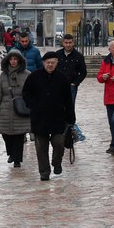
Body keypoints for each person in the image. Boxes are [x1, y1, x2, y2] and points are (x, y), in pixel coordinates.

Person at [23, 51, 75, 181]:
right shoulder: (34, 77)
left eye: (53, 62)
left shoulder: (62, 78)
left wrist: (71, 117)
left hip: (58, 117)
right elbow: (26, 94)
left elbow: (69, 99)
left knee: (59, 143)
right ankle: (44, 172)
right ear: (43, 63)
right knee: (41, 147)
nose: (50, 65)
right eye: (48, 62)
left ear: (57, 63)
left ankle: (57, 162)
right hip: (39, 118)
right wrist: (33, 105)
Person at [0, 49, 31, 168]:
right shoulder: (3, 76)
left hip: (20, 109)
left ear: (19, 61)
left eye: (15, 59)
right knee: (5, 133)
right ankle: (11, 153)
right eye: (11, 59)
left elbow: (32, 93)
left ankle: (17, 160)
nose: (13, 62)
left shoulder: (27, 75)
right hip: (5, 109)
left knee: (19, 135)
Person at [56, 34, 87, 105]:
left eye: (70, 42)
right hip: (58, 85)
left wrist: (75, 83)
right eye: (66, 43)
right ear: (63, 43)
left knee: (70, 107)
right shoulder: (57, 54)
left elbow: (83, 72)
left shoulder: (79, 56)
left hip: (71, 86)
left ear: (73, 43)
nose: (68, 45)